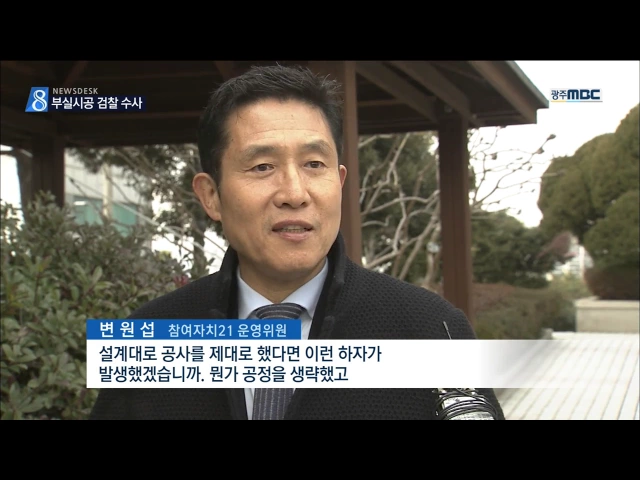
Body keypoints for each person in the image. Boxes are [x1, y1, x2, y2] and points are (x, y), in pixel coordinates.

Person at [89, 64, 505, 420]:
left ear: (339, 183)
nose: (294, 192)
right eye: (262, 166)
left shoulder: (431, 331)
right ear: (211, 195)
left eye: (314, 164)